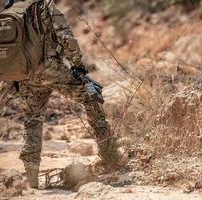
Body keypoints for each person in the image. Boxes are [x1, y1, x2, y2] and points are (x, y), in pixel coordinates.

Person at [9, 0, 120, 188]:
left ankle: (31, 177)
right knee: (90, 95)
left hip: (25, 75)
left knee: (32, 121)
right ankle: (110, 155)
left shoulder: (11, 9)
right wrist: (77, 64)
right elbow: (66, 37)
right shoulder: (44, 6)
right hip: (50, 69)